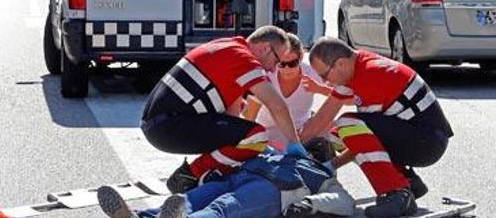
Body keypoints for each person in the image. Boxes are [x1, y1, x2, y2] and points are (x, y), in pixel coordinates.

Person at [141, 26, 308, 195]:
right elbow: (276, 105)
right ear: (265, 48)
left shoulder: (228, 46)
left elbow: (232, 115)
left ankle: (206, 176)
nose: (273, 69)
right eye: (277, 61)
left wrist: (249, 149)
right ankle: (190, 175)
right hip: (168, 125)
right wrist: (294, 143)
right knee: (257, 134)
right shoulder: (244, 59)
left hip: (161, 124)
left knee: (249, 138)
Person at [300, 38, 453, 218]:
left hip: (427, 143)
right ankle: (407, 181)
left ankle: (396, 193)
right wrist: (294, 147)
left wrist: (332, 164)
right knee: (334, 134)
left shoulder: (371, 75)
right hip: (418, 134)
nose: (325, 82)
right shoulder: (356, 67)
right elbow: (323, 117)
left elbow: (365, 140)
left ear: (340, 64)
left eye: (324, 76)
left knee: (347, 125)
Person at [97, 140, 354, 218]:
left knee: (221, 208)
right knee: (189, 198)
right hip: (241, 177)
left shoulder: (322, 174)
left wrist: (312, 203)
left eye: (315, 151)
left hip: (274, 189)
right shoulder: (276, 154)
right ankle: (139, 217)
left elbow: (345, 202)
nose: (310, 152)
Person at [242, 33, 330, 150]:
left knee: (331, 125)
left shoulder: (311, 73)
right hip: (268, 137)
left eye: (292, 63)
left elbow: (347, 98)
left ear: (301, 57)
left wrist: (320, 89)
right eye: (282, 64)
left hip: (301, 134)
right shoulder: (267, 76)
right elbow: (250, 115)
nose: (287, 69)